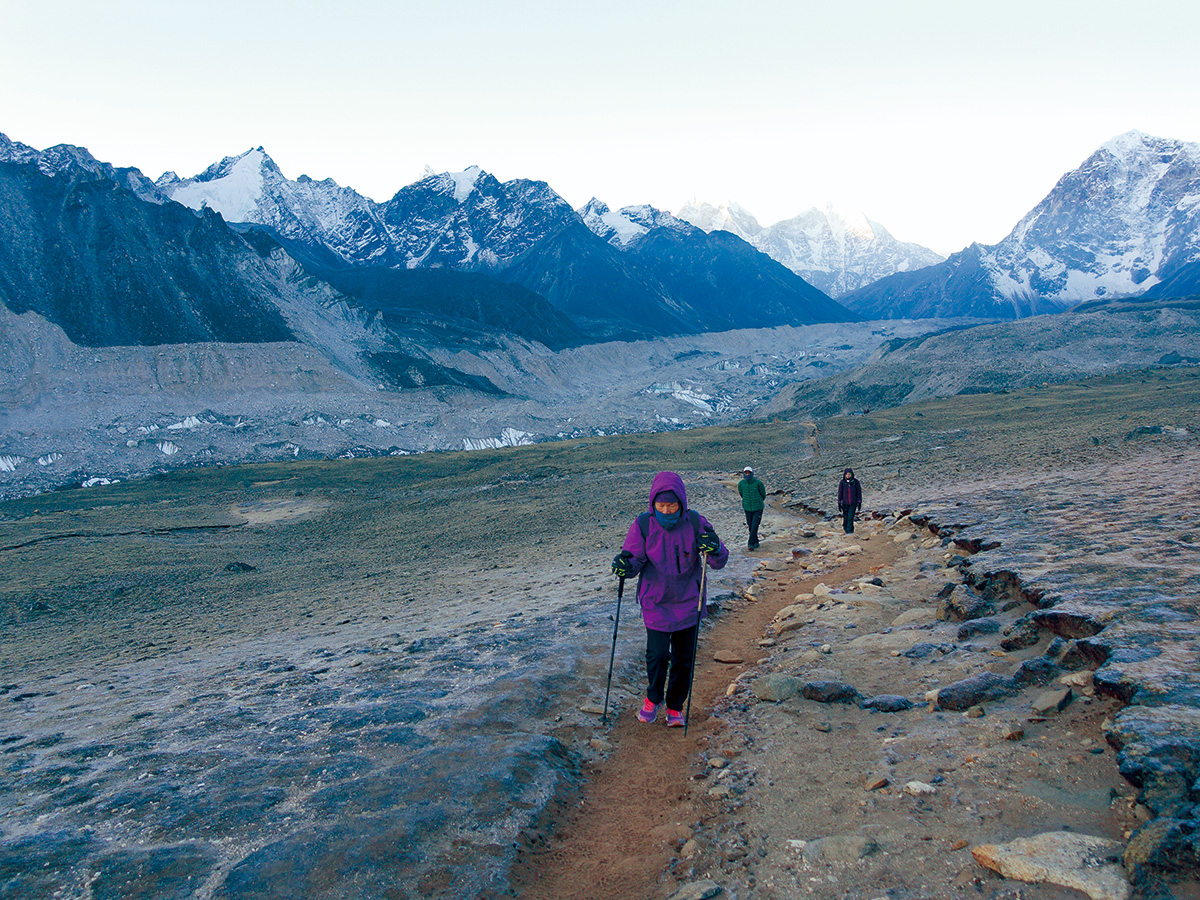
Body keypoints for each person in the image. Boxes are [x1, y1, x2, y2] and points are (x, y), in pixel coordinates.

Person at [611, 471, 728, 727]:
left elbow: (719, 560)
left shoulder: (696, 522)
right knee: (657, 655)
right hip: (656, 602)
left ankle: (675, 706)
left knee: (683, 659)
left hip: (688, 602)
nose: (666, 510)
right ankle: (653, 698)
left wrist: (715, 546)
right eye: (661, 505)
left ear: (681, 503)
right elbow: (633, 561)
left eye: (671, 505)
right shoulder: (643, 525)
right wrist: (624, 566)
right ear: (653, 503)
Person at [737, 466, 767, 549]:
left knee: (754, 526)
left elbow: (763, 494)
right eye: (746, 473)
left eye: (749, 473)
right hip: (747, 508)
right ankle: (756, 541)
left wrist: (759, 501)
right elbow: (741, 494)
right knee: (750, 526)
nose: (747, 474)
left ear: (752, 473)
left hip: (758, 508)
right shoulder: (741, 484)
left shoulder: (758, 483)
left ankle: (750, 544)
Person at [838, 467, 862, 534]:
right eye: (847, 474)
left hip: (853, 502)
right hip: (845, 503)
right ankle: (845, 529)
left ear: (852, 474)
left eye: (849, 474)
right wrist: (839, 502)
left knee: (850, 517)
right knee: (845, 517)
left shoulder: (855, 482)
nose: (848, 476)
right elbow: (840, 492)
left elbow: (859, 492)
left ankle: (850, 531)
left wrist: (859, 501)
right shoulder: (842, 482)